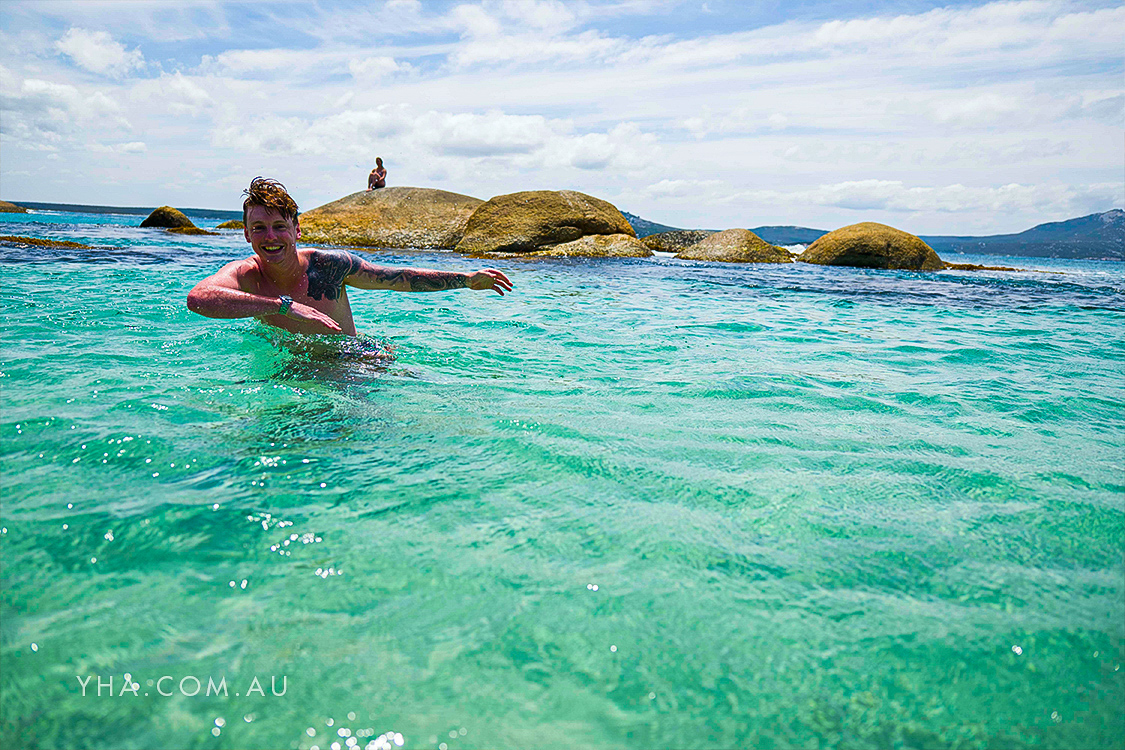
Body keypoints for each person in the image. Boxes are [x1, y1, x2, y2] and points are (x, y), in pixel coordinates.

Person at [186, 177, 512, 336]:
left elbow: (396, 278)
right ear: (246, 234)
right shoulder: (246, 276)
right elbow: (199, 298)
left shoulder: (330, 266)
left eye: (278, 226)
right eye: (258, 228)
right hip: (291, 371)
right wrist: (285, 306)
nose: (269, 237)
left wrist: (466, 281)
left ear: (297, 230)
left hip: (350, 363)